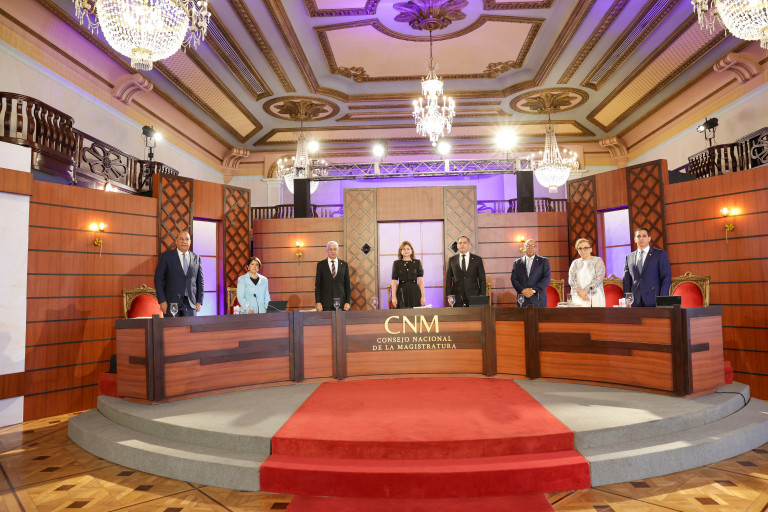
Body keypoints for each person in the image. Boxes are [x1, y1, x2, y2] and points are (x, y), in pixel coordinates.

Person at [154, 230, 204, 317]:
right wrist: (162, 301)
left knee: (189, 326)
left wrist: (199, 301)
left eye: (187, 239)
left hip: (190, 303)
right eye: (181, 239)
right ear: (176, 241)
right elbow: (158, 280)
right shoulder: (167, 257)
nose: (184, 241)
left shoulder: (196, 258)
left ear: (190, 242)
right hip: (171, 303)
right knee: (172, 326)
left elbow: (200, 281)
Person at [623, 227, 671, 307]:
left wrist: (662, 300)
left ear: (649, 238)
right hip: (635, 302)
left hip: (654, 300)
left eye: (644, 236)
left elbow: (666, 278)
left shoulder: (659, 254)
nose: (641, 238)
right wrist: (627, 300)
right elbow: (626, 281)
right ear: (635, 239)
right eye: (638, 236)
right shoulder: (629, 257)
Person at [445, 235, 487, 307]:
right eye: (460, 243)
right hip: (457, 297)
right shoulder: (452, 260)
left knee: (475, 314)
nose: (462, 245)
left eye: (464, 243)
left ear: (469, 245)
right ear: (457, 246)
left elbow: (482, 279)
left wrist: (482, 295)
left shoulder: (477, 259)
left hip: (474, 296)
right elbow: (448, 280)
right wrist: (449, 295)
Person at [510, 239, 550, 307]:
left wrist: (533, 290)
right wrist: (522, 290)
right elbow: (514, 279)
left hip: (538, 298)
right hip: (522, 298)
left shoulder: (543, 261)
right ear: (524, 248)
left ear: (535, 248)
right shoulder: (517, 262)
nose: (530, 248)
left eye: (532, 246)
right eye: (528, 246)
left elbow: (546, 278)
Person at [568, 238, 606, 307]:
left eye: (586, 248)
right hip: (578, 296)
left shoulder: (598, 260)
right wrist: (580, 292)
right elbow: (571, 280)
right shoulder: (575, 263)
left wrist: (586, 291)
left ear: (591, 249)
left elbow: (599, 278)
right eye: (580, 248)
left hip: (595, 295)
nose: (583, 250)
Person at [315, 241, 351, 311]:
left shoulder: (344, 265)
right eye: (330, 249)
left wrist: (348, 302)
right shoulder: (321, 265)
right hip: (325, 304)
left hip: (342, 304)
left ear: (338, 250)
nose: (333, 251)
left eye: (335, 249)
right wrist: (318, 302)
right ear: (327, 251)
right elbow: (318, 286)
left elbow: (347, 285)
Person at [391, 240, 426, 308]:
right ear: (400, 251)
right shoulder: (396, 263)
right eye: (404, 249)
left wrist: (423, 296)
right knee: (401, 313)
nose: (406, 251)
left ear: (411, 251)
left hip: (415, 292)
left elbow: (421, 282)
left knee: (415, 313)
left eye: (408, 249)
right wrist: (393, 297)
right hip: (401, 291)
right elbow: (394, 282)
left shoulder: (417, 263)